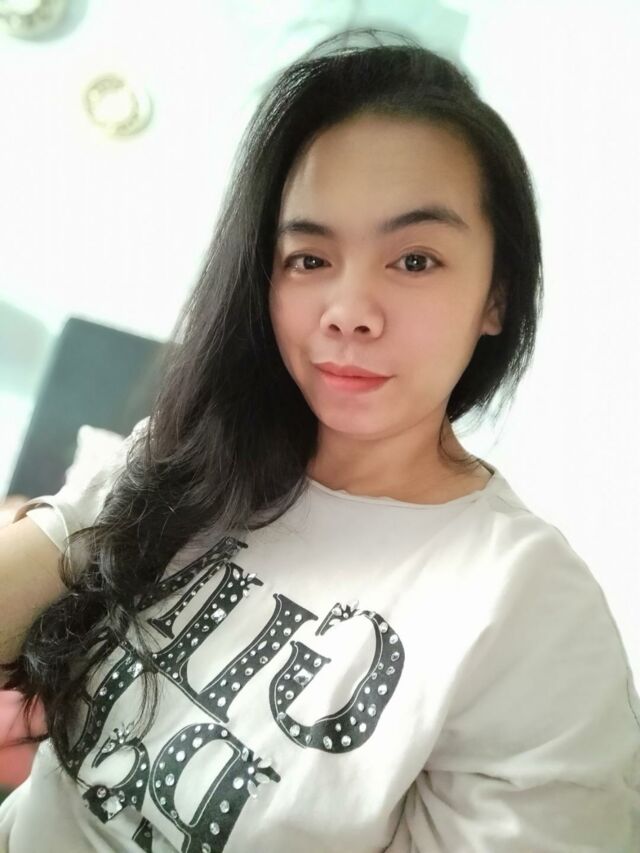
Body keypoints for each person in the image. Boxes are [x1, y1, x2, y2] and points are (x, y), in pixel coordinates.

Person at [0, 26, 639, 853]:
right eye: (308, 258)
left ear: (497, 297)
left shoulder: (528, 611)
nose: (348, 311)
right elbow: (51, 548)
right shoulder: (188, 451)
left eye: (415, 259)